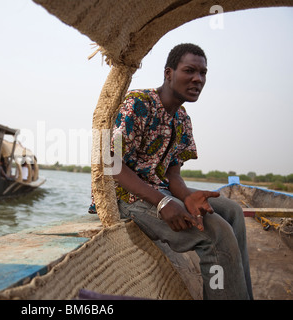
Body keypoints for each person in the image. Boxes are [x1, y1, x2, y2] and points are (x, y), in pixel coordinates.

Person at [90, 43, 253, 300]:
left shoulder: (182, 118)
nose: (198, 79)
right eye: (189, 70)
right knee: (216, 235)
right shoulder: (137, 105)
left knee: (232, 211)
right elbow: (112, 164)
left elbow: (173, 175)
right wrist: (164, 201)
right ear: (168, 73)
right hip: (126, 196)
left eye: (203, 73)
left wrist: (186, 196)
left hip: (160, 192)